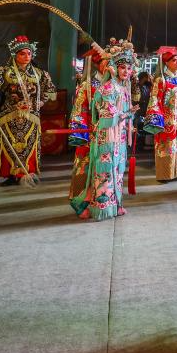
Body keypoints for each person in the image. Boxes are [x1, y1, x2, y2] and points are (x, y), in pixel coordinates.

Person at [0, 36, 56, 185]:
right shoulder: (6, 72)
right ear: (15, 55)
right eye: (22, 54)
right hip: (10, 116)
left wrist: (41, 102)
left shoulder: (39, 73)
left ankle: (28, 173)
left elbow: (50, 89)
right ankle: (10, 175)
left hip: (31, 117)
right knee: (9, 146)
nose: (26, 56)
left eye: (29, 53)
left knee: (29, 145)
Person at [68, 39, 136, 220]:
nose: (125, 71)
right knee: (94, 173)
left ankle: (114, 203)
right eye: (121, 67)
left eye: (128, 68)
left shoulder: (122, 87)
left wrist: (128, 119)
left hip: (116, 133)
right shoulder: (94, 85)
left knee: (115, 171)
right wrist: (80, 132)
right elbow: (83, 111)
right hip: (97, 134)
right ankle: (86, 205)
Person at [144, 46, 177, 182]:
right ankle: (165, 174)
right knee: (166, 144)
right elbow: (154, 99)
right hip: (167, 119)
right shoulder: (161, 80)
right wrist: (157, 118)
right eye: (174, 60)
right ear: (166, 63)